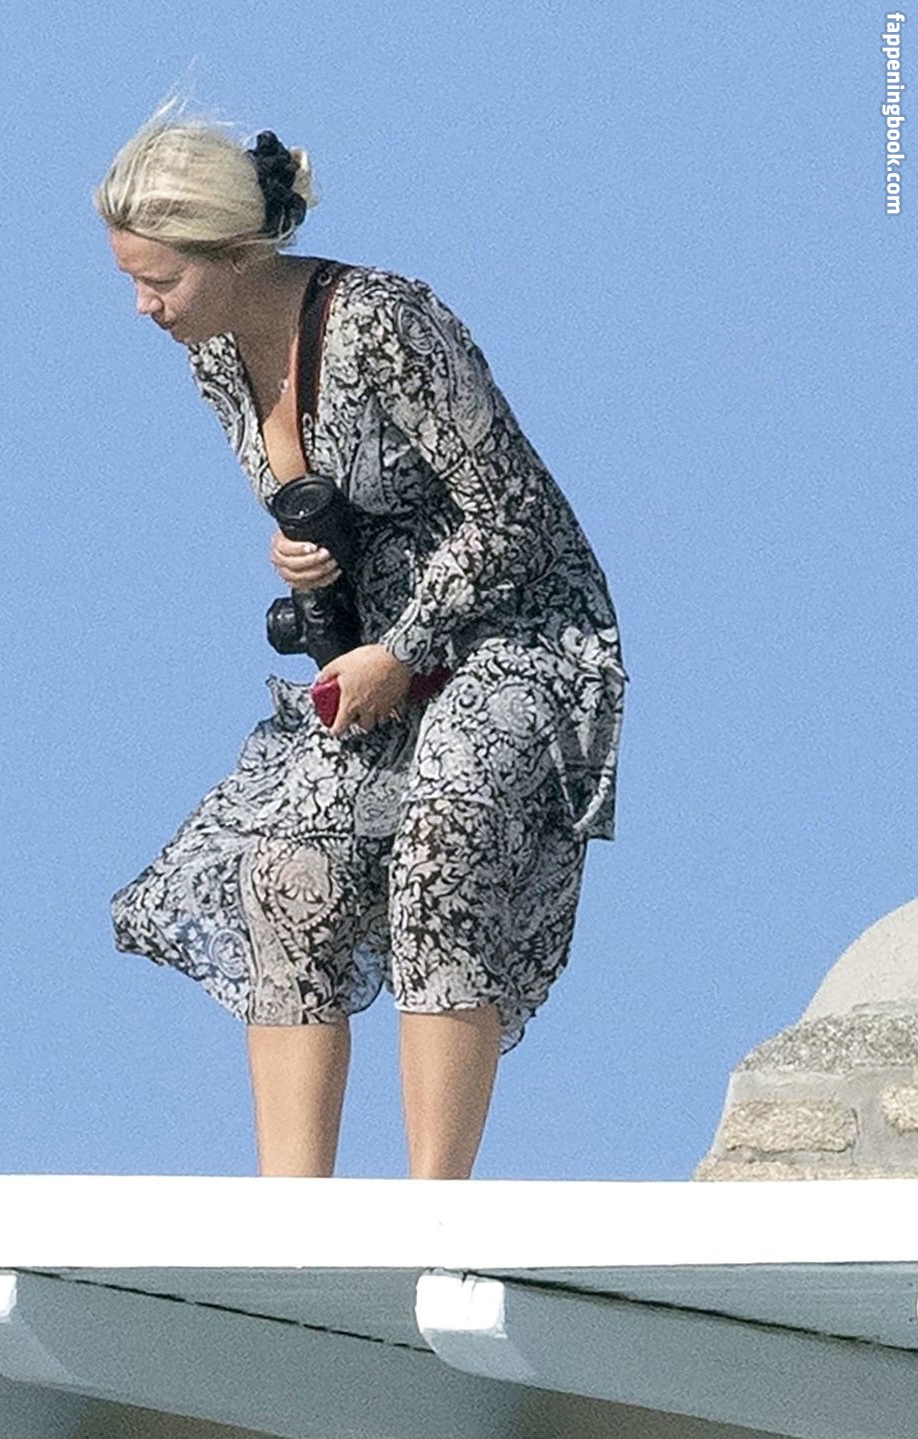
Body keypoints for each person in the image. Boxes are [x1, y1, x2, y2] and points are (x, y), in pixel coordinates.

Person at [100, 107, 626, 1179]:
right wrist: (305, 561)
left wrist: (406, 645)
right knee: (287, 868)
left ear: (233, 252)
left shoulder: (385, 321)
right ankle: (293, 1227)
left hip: (523, 634)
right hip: (385, 657)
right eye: (133, 281)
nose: (143, 306)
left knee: (443, 842)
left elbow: (517, 516)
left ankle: (433, 1210)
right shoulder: (214, 359)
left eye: (161, 280)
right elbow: (339, 506)